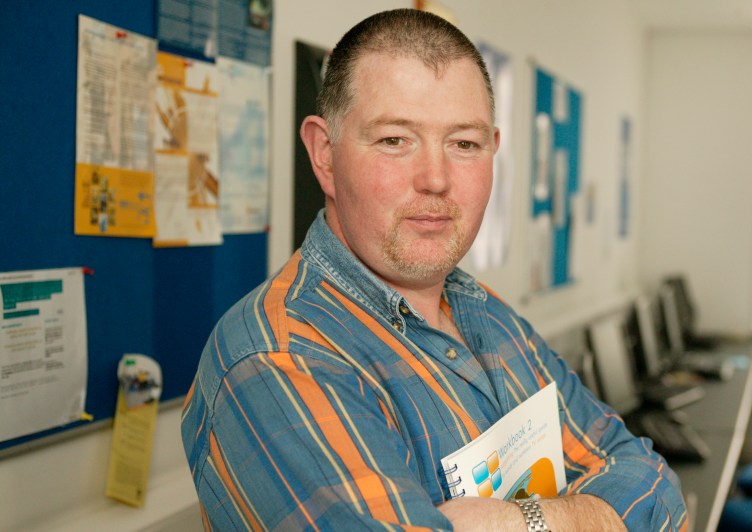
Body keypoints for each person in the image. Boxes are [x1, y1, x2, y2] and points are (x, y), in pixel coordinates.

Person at [181, 8, 687, 531]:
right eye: (395, 140)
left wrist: (522, 521)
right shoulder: (277, 358)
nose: (436, 179)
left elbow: (656, 488)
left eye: (463, 144)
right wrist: (596, 516)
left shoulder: (489, 316)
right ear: (325, 156)